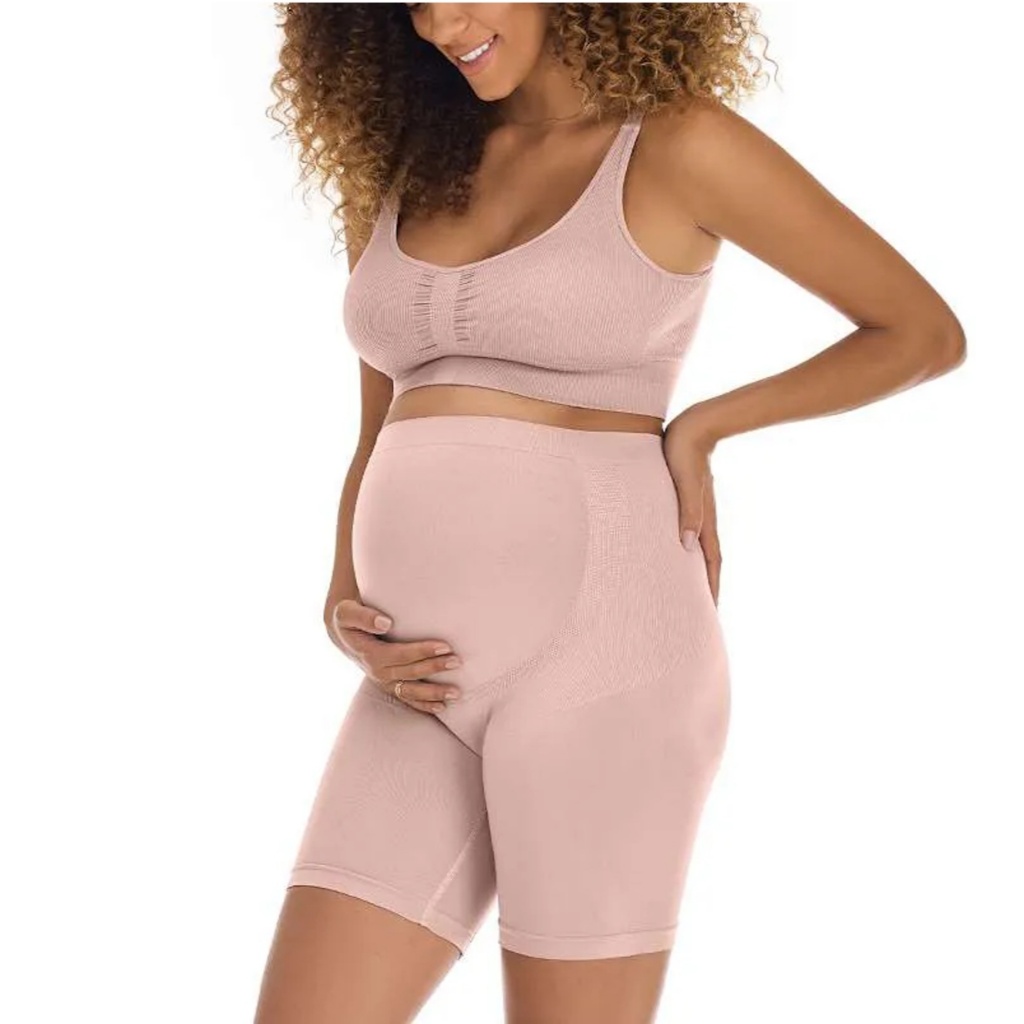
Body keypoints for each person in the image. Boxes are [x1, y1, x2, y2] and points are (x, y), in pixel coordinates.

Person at [255, 4, 966, 1022]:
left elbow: (920, 331)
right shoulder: (413, 162)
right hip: (414, 686)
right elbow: (380, 420)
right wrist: (344, 592)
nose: (440, 22)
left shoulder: (677, 142)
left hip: (605, 664)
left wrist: (705, 426)